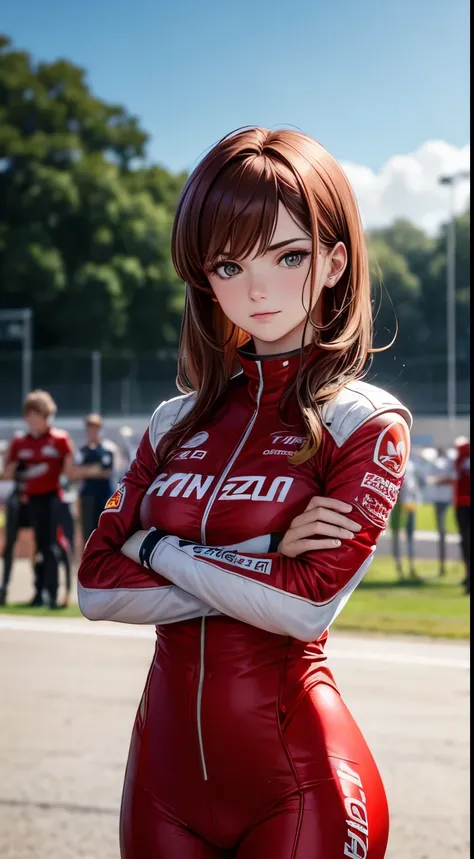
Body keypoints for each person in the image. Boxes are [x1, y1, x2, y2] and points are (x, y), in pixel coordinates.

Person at [78, 127, 412, 858]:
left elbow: (301, 605)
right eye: (230, 263)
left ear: (333, 263)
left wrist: (156, 544)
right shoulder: (174, 419)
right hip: (161, 780)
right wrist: (262, 549)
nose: (256, 289)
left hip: (302, 781)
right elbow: (97, 588)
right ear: (205, 277)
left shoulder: (366, 421)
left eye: (287, 255)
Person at [1, 390, 102, 608]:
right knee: (24, 546)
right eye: (28, 414)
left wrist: (92, 470)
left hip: (50, 499)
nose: (30, 419)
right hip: (26, 500)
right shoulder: (20, 442)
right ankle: (34, 592)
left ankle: (54, 593)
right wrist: (13, 466)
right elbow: (6, 473)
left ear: (46, 415)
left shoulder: (59, 440)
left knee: (49, 547)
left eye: (35, 414)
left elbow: (71, 472)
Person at [75, 414, 116, 545]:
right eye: (90, 429)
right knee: (87, 534)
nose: (93, 432)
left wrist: (85, 470)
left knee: (104, 532)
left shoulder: (107, 450)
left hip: (104, 496)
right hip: (87, 496)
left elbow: (106, 471)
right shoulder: (82, 451)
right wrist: (93, 469)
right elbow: (74, 472)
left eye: (96, 429)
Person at [390, 457, 422, 580]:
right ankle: (399, 566)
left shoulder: (412, 464)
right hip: (398, 505)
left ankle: (411, 565)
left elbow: (415, 484)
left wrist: (416, 500)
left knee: (410, 536)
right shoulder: (394, 462)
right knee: (397, 536)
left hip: (410, 504)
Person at [426, 447, 453, 577]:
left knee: (443, 532)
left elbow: (450, 479)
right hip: (441, 499)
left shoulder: (449, 463)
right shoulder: (438, 463)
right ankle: (442, 566)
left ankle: (444, 565)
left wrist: (438, 480)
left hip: (448, 500)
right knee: (441, 532)